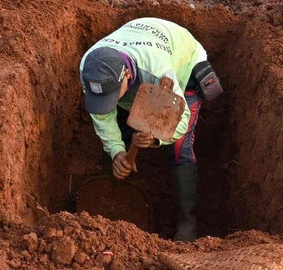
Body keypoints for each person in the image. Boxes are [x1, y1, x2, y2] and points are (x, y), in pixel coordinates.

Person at [79, 18, 223, 242]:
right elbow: (103, 117)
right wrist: (117, 152)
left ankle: (187, 222)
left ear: (127, 75)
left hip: (182, 59)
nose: (106, 101)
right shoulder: (90, 66)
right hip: (139, 49)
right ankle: (111, 193)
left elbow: (180, 121)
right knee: (120, 130)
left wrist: (156, 140)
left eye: (111, 95)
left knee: (178, 146)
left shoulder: (158, 73)